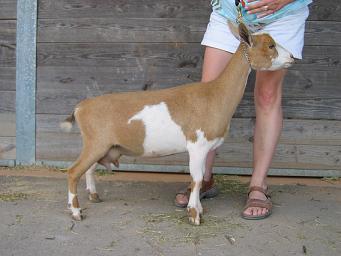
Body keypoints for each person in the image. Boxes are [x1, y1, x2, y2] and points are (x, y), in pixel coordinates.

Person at [175, 0, 312, 220]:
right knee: (209, 95)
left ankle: (258, 186)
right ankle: (202, 179)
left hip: (282, 15)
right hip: (233, 15)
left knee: (267, 96)